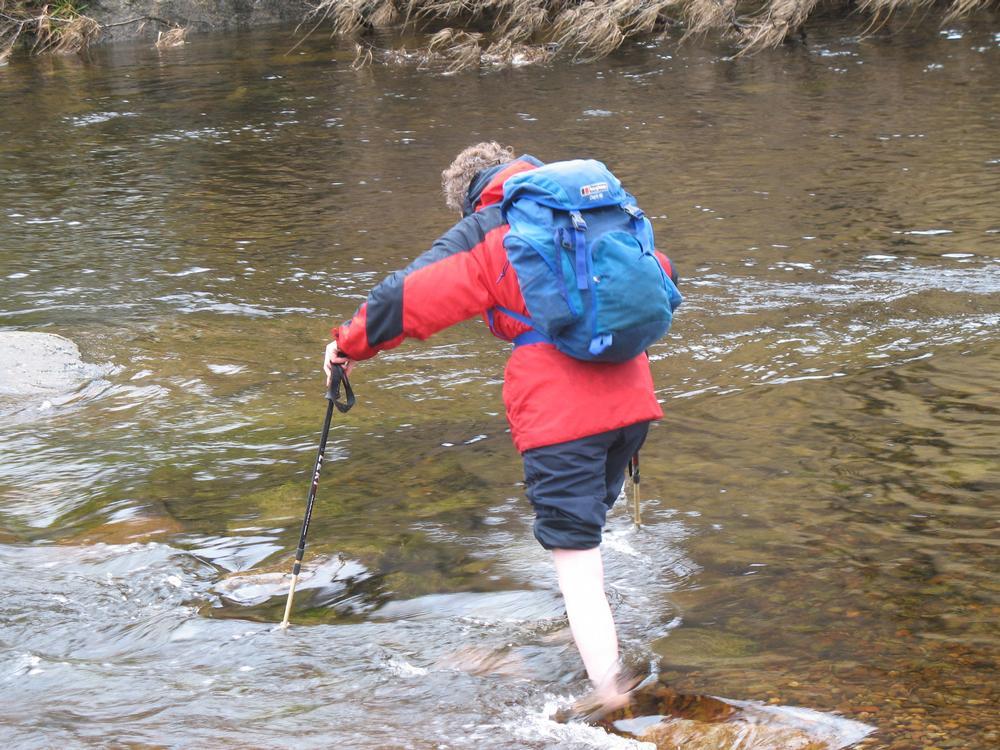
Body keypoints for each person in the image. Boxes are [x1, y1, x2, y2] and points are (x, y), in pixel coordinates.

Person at [323, 142, 679, 715]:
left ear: (466, 199)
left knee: (575, 553)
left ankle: (612, 697)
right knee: (587, 534)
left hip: (563, 416)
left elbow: (408, 297)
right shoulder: (592, 208)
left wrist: (346, 345)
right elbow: (660, 275)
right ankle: (585, 639)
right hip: (633, 401)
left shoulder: (495, 227)